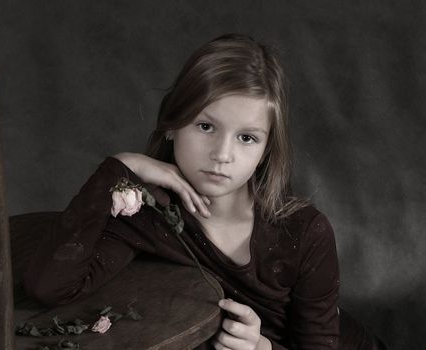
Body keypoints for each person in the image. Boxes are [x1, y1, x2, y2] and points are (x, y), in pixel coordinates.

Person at [23, 34, 386, 349]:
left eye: (247, 138)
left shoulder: (304, 231)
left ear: (264, 152)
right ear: (171, 125)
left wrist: (261, 348)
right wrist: (118, 168)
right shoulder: (145, 216)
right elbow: (48, 287)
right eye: (205, 126)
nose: (222, 155)